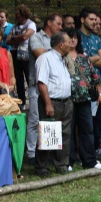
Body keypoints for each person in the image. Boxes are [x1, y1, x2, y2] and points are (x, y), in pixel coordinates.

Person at [62, 28, 101, 171]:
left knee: (87, 130)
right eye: (70, 37)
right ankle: (68, 161)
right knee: (68, 130)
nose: (73, 40)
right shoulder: (61, 57)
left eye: (75, 37)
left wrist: (100, 94)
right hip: (67, 99)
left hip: (84, 98)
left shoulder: (84, 58)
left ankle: (90, 161)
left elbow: (95, 76)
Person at [35, 32, 73, 178]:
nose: (71, 44)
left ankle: (61, 164)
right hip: (52, 101)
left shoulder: (62, 59)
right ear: (61, 44)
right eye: (69, 42)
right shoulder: (45, 58)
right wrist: (48, 104)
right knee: (48, 134)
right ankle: (42, 167)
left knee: (64, 134)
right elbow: (42, 83)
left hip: (66, 102)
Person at [27, 13, 62, 164]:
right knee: (35, 120)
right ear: (49, 23)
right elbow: (40, 54)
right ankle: (31, 154)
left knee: (49, 122)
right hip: (37, 85)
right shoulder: (36, 37)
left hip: (52, 88)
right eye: (58, 24)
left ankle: (47, 155)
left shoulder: (58, 41)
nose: (61, 27)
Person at [7, 4, 36, 108]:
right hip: (15, 54)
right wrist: (18, 38)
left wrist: (15, 38)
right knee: (19, 79)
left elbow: (25, 36)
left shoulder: (31, 24)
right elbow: (8, 40)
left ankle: (33, 101)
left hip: (27, 53)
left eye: (18, 15)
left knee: (29, 77)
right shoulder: (15, 26)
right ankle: (21, 102)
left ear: (23, 14)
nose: (16, 17)